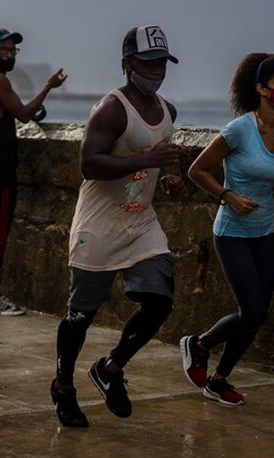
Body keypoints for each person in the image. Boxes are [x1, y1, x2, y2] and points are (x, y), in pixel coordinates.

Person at [51, 25, 184, 428]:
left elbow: (156, 160)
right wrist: (147, 162)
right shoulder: (110, 109)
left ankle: (110, 370)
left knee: (159, 301)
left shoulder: (168, 111)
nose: (157, 71)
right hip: (99, 224)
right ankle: (63, 387)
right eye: (148, 63)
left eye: (162, 63)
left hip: (139, 222)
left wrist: (168, 178)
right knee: (80, 316)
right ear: (127, 64)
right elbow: (89, 164)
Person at [180, 53, 274, 406]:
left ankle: (219, 380)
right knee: (251, 311)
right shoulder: (240, 129)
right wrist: (229, 196)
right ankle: (199, 344)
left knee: (257, 315)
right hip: (232, 233)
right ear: (261, 89)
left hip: (263, 233)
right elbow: (197, 170)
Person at [0, 29, 67, 317]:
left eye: (13, 51)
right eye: (4, 50)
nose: (9, 55)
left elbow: (8, 112)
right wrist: (48, 86)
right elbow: (23, 113)